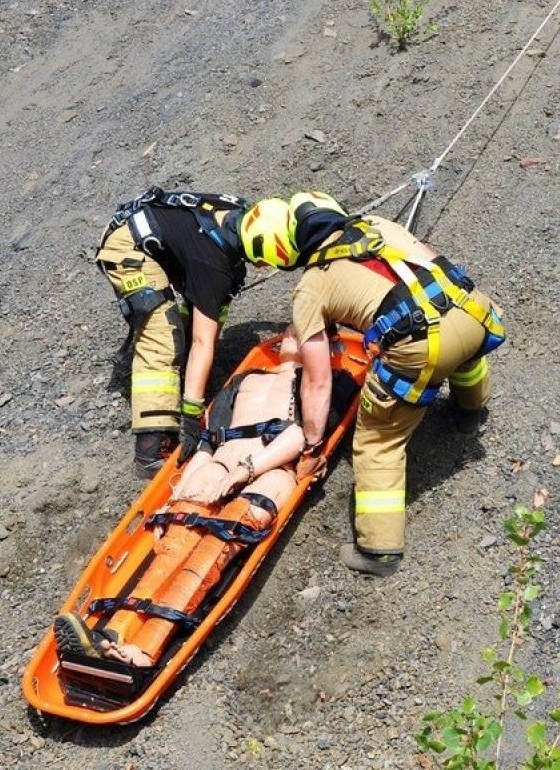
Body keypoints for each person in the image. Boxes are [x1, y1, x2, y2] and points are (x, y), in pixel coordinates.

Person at [278, 192, 505, 577]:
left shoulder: (311, 285)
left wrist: (312, 446)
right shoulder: (378, 225)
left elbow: (317, 383)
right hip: (474, 310)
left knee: (378, 440)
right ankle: (470, 412)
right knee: (462, 351)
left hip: (421, 348)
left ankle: (378, 551)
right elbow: (430, 262)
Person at [53, 343, 316, 670]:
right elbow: (207, 445)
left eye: (299, 330)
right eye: (290, 328)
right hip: (221, 462)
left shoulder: (315, 379)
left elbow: (305, 437)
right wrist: (171, 501)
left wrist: (247, 469)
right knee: (176, 542)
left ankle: (145, 651)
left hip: (272, 467)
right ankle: (114, 634)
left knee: (213, 545)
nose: (290, 332)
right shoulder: (245, 379)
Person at [96, 191, 297, 474]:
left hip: (163, 238)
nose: (265, 267)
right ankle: (150, 449)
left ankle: (186, 375)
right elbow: (204, 341)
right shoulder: (213, 263)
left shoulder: (241, 220)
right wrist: (191, 415)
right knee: (161, 335)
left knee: (204, 314)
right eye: (267, 261)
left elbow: (211, 319)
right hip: (128, 247)